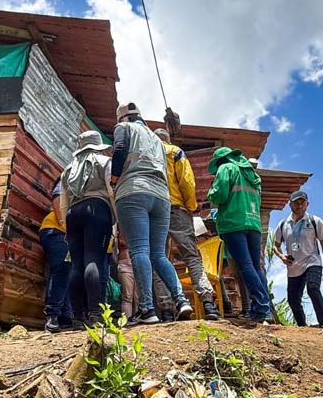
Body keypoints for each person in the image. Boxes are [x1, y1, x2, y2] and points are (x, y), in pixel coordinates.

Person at [110, 102, 193, 325]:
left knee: (139, 250)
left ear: (124, 118)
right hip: (162, 198)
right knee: (158, 255)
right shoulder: (157, 139)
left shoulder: (123, 128)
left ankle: (147, 309)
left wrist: (114, 180)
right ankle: (182, 300)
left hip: (133, 192)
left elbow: (118, 151)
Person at [151, 128, 221, 321]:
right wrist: (191, 205)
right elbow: (186, 182)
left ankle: (166, 310)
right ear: (168, 139)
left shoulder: (147, 152)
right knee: (191, 257)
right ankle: (208, 304)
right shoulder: (175, 152)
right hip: (177, 209)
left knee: (158, 258)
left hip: (155, 209)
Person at [207, 146, 270, 324]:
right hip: (254, 223)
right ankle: (264, 309)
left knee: (245, 265)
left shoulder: (226, 168)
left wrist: (210, 194)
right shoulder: (253, 176)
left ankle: (261, 307)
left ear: (220, 160)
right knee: (256, 267)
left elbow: (219, 194)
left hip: (234, 223)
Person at [59, 130, 115, 326]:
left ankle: (77, 316)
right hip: (97, 209)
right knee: (94, 259)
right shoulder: (104, 161)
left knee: (76, 263)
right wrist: (116, 218)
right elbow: (111, 190)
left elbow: (63, 202)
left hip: (73, 214)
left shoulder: (67, 169)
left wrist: (66, 225)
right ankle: (95, 314)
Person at [273, 190, 323, 327]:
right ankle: (302, 327)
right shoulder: (283, 225)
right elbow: (275, 246)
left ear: (307, 204)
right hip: (294, 267)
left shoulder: (315, 221)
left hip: (312, 262)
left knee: (313, 288)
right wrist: (282, 256)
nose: (300, 206)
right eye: (296, 203)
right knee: (293, 300)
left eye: (302, 203)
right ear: (290, 205)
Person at [38, 178, 72, 333]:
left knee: (64, 272)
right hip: (55, 230)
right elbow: (57, 196)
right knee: (62, 270)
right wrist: (62, 223)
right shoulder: (68, 177)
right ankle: (52, 315)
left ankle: (64, 317)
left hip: (61, 232)